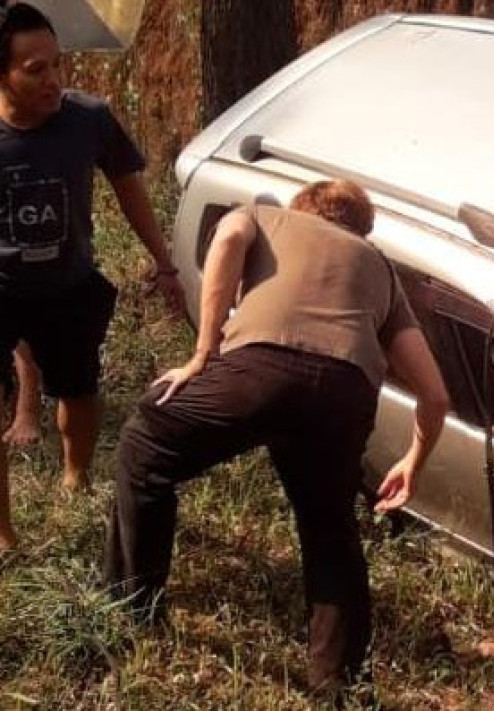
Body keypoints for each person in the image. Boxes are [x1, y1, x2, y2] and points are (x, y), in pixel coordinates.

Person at [105, 180, 450, 695]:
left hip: (260, 369)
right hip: (346, 394)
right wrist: (413, 463)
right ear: (362, 228)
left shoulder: (266, 218)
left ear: (302, 207)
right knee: (330, 528)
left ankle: (131, 606)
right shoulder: (380, 270)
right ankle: (338, 684)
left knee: (146, 445)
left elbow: (226, 241)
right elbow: (436, 395)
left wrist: (203, 354)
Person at [0, 2, 183, 550]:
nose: (54, 79)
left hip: (69, 286)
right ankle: (4, 535)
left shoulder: (89, 119)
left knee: (79, 392)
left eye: (57, 64)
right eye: (36, 70)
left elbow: (129, 189)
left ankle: (75, 475)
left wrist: (164, 261)